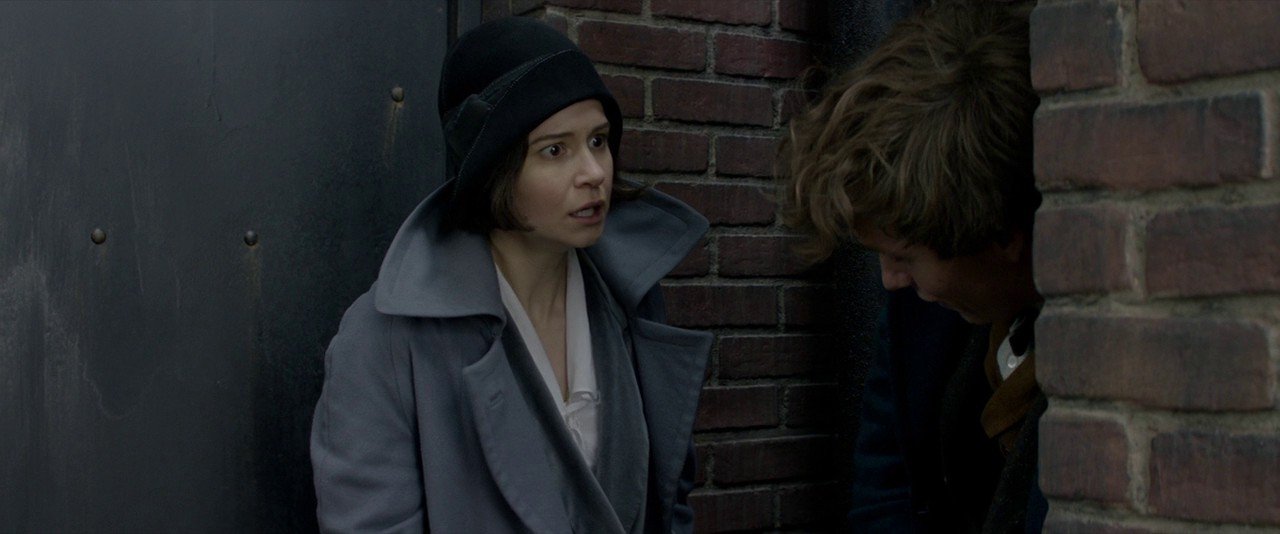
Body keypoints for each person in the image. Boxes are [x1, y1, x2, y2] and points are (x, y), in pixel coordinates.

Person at [310, 17, 711, 533]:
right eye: (555, 150)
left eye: (598, 140)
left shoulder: (631, 299)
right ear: (492, 169)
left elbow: (669, 498)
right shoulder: (386, 340)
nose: (594, 173)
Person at [779, 2, 1045, 532]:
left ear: (1001, 236)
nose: (890, 280)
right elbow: (887, 486)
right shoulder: (923, 313)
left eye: (905, 257)